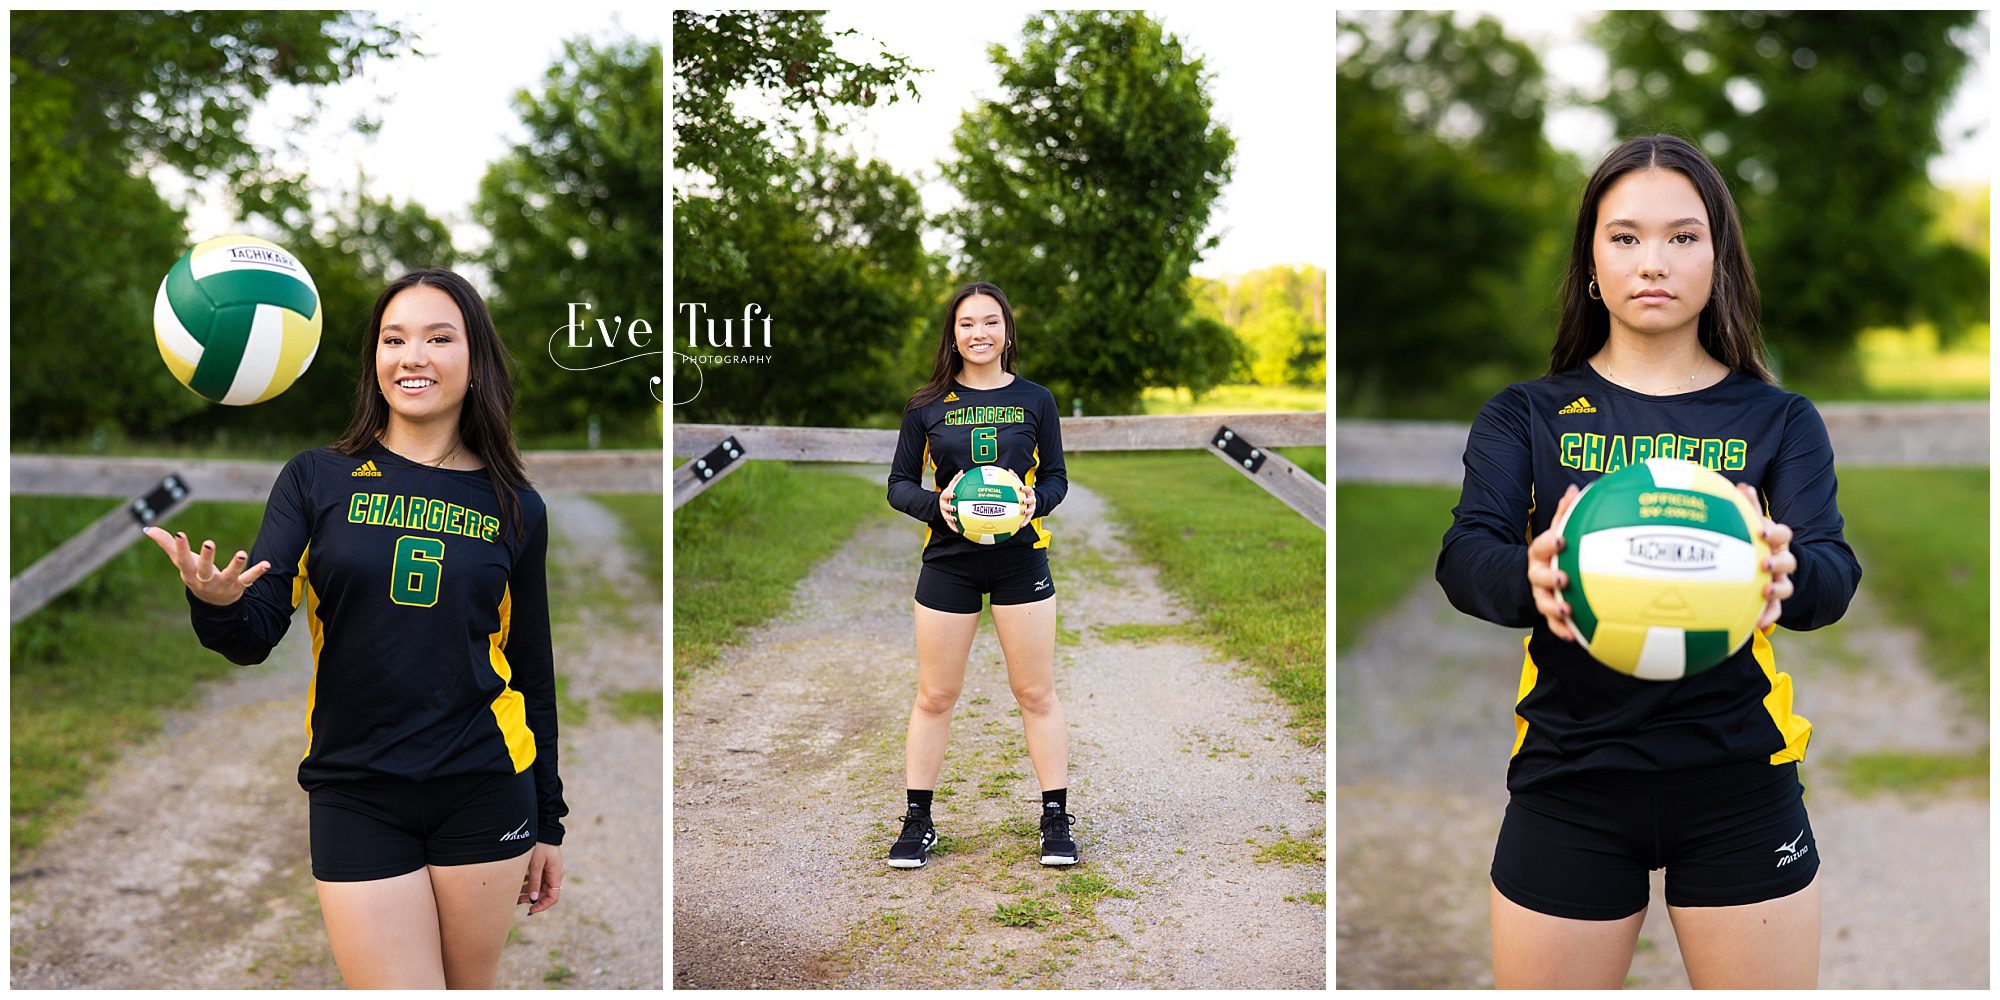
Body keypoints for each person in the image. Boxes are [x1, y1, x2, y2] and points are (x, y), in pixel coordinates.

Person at [1436, 135, 1861, 989]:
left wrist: (1786, 572)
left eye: (1683, 236)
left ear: (1719, 259)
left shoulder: (1778, 418)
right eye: (1625, 237)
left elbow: (1831, 577)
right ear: (1591, 261)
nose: (1653, 261)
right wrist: (1535, 574)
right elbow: (1464, 556)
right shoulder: (1529, 413)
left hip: (1740, 777)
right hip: (1571, 777)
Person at [144, 268, 567, 988]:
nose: (414, 357)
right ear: (374, 358)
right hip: (357, 789)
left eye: (440, 338)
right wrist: (215, 601)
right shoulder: (316, 479)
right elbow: (254, 634)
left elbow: (529, 666)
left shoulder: (515, 504)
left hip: (485, 784)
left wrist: (549, 820)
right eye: (394, 338)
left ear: (476, 358)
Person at [884, 280, 1075, 869]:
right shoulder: (926, 406)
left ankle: (1054, 819)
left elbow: (1058, 481)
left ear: (1007, 331)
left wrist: (1031, 504)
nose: (979, 333)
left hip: (1021, 558)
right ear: (954, 335)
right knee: (936, 694)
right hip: (949, 562)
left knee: (1035, 693)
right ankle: (918, 820)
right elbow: (898, 486)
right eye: (967, 324)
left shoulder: (1037, 400)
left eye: (990, 322)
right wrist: (935, 505)